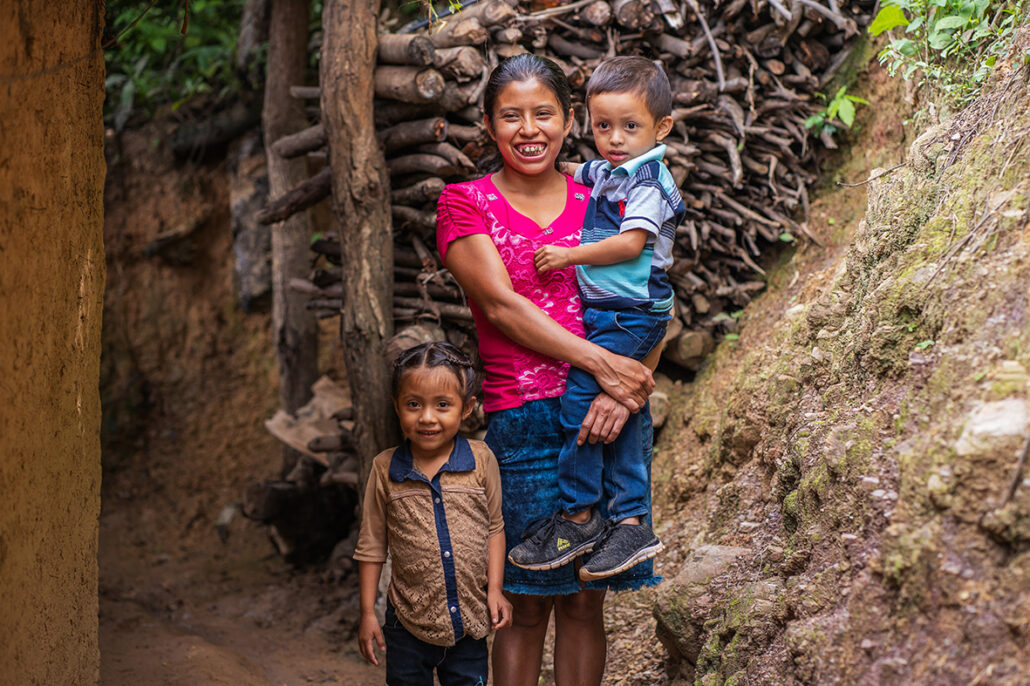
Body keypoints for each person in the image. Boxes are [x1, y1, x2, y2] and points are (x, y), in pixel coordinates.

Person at [436, 54, 659, 686]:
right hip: (524, 421)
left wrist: (625, 391)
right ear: (488, 124)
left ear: (569, 122)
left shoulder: (606, 199)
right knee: (527, 602)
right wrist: (602, 364)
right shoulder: (465, 204)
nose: (529, 129)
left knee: (588, 601)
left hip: (608, 414)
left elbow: (651, 299)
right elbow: (503, 307)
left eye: (544, 114)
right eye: (511, 115)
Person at [508, 56, 685, 581]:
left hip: (630, 313)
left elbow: (632, 242)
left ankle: (580, 515)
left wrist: (568, 256)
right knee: (625, 410)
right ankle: (630, 521)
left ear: (661, 128)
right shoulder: (612, 170)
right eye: (602, 126)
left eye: (630, 127)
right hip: (618, 313)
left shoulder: (649, 178)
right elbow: (577, 170)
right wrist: (550, 165)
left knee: (580, 408)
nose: (613, 138)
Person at [354, 342, 513, 686]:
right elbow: (371, 545)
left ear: (467, 407)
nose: (427, 417)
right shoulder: (385, 469)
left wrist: (495, 590)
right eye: (414, 404)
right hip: (407, 624)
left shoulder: (481, 459)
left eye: (442, 405)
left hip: (470, 622)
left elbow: (495, 529)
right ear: (397, 407)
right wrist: (368, 612)